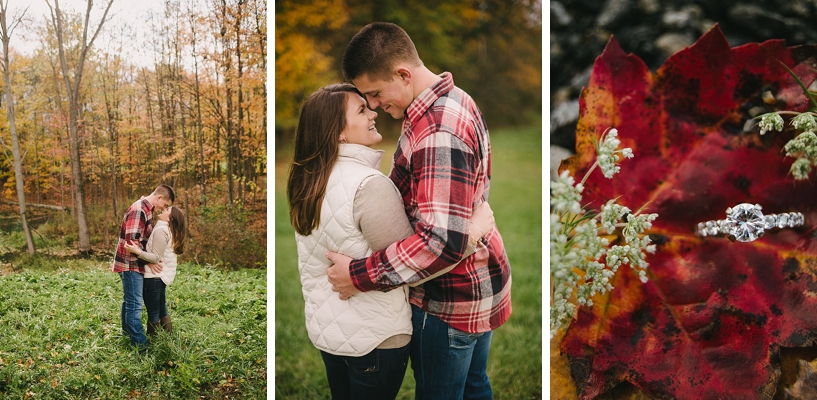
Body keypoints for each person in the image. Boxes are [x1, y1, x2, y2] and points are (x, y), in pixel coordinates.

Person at [325, 22, 512, 399]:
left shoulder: (437, 130)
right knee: (475, 386)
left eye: (375, 93)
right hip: (477, 283)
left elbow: (441, 242)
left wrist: (358, 275)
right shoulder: (454, 99)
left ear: (403, 74)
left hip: (447, 301)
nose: (374, 105)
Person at [287, 83, 495, 400]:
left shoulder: (308, 180)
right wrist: (474, 231)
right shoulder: (368, 186)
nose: (373, 113)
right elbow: (422, 259)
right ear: (338, 132)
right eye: (361, 109)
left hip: (329, 331)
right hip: (376, 337)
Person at [111, 184, 175, 349]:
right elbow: (131, 243)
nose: (164, 208)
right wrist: (149, 261)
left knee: (129, 301)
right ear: (159, 197)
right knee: (135, 304)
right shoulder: (139, 209)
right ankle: (140, 344)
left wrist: (149, 260)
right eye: (165, 205)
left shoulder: (147, 210)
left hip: (135, 263)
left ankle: (127, 334)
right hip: (130, 263)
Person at [124, 206, 186, 336]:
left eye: (167, 210)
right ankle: (168, 336)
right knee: (162, 309)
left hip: (153, 277)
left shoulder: (161, 230)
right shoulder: (167, 230)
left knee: (153, 312)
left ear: (170, 218)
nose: (164, 209)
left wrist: (137, 252)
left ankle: (154, 341)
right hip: (160, 276)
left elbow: (155, 257)